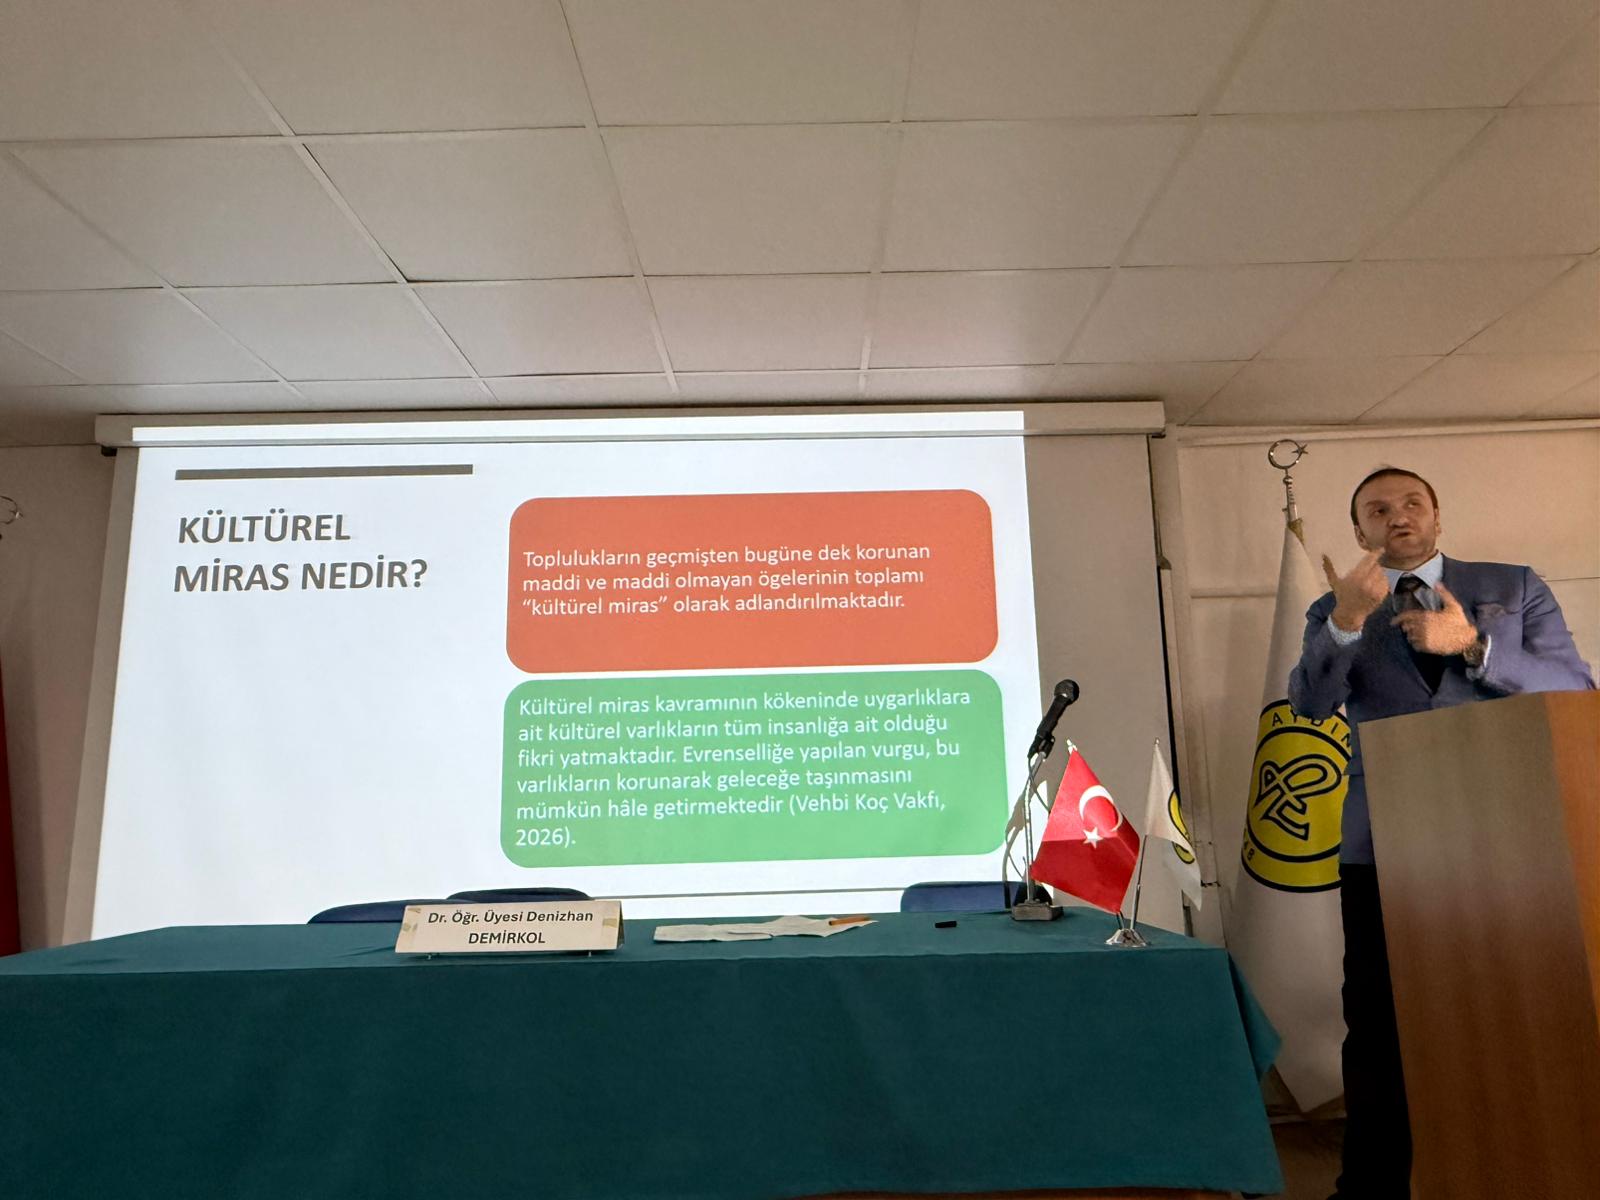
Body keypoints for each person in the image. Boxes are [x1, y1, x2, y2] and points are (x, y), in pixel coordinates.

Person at [1287, 466, 1594, 1200]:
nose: (1398, 516)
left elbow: (1575, 687)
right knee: (1379, 1022)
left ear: (1437, 516)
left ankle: (1527, 1169)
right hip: (1383, 844)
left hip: (1516, 837)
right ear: (1359, 531)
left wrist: (1474, 646)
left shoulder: (1513, 586)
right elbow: (1310, 704)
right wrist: (1347, 622)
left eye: (1412, 503)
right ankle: (1370, 1187)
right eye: (1377, 510)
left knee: (1522, 1008)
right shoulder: (1336, 606)